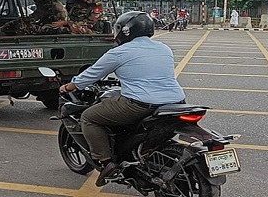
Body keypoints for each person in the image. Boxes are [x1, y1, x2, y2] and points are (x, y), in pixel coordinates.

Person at [59, 11, 185, 186]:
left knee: (89, 117)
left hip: (141, 105)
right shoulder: (164, 48)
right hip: (176, 102)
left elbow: (91, 75)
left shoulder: (120, 52)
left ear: (125, 31)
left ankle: (106, 162)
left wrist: (68, 86)